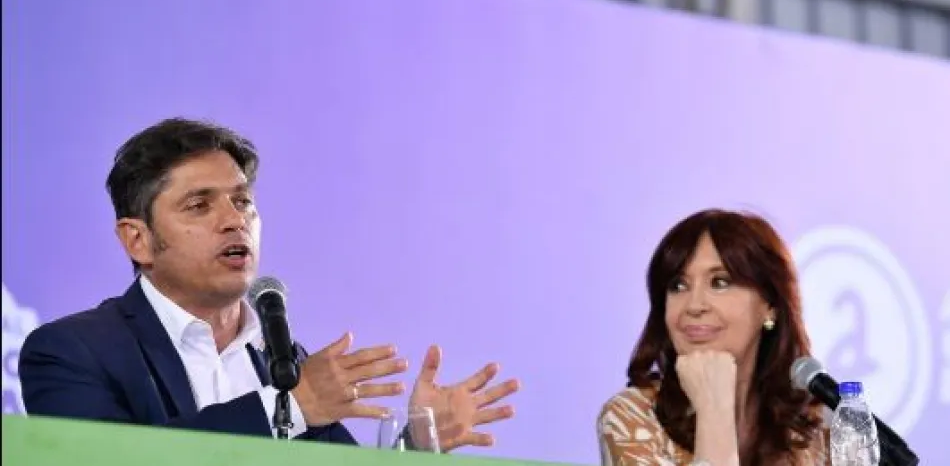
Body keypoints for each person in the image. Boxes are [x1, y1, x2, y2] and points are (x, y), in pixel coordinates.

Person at [19, 117, 520, 451]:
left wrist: (416, 445)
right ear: (138, 240)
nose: (234, 220)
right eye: (199, 205)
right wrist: (292, 407)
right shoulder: (71, 351)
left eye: (243, 201)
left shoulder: (283, 359)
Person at [597, 209, 827, 465]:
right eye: (678, 286)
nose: (694, 306)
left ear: (770, 305)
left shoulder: (814, 426)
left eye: (719, 282)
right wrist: (713, 410)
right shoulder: (630, 417)